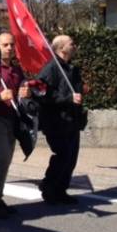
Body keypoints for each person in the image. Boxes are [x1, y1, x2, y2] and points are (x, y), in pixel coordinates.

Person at [0, 32, 30, 218]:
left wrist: (26, 91)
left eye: (11, 44)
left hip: (12, 118)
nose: (9, 48)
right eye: (5, 45)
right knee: (1, 156)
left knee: (6, 158)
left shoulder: (17, 70)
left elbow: (22, 88)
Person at [37, 35, 86, 205]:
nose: (75, 45)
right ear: (61, 48)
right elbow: (42, 94)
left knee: (71, 157)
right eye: (72, 43)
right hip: (56, 121)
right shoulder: (51, 68)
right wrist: (68, 98)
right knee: (62, 154)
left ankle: (60, 190)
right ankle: (48, 187)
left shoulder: (72, 69)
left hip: (72, 120)